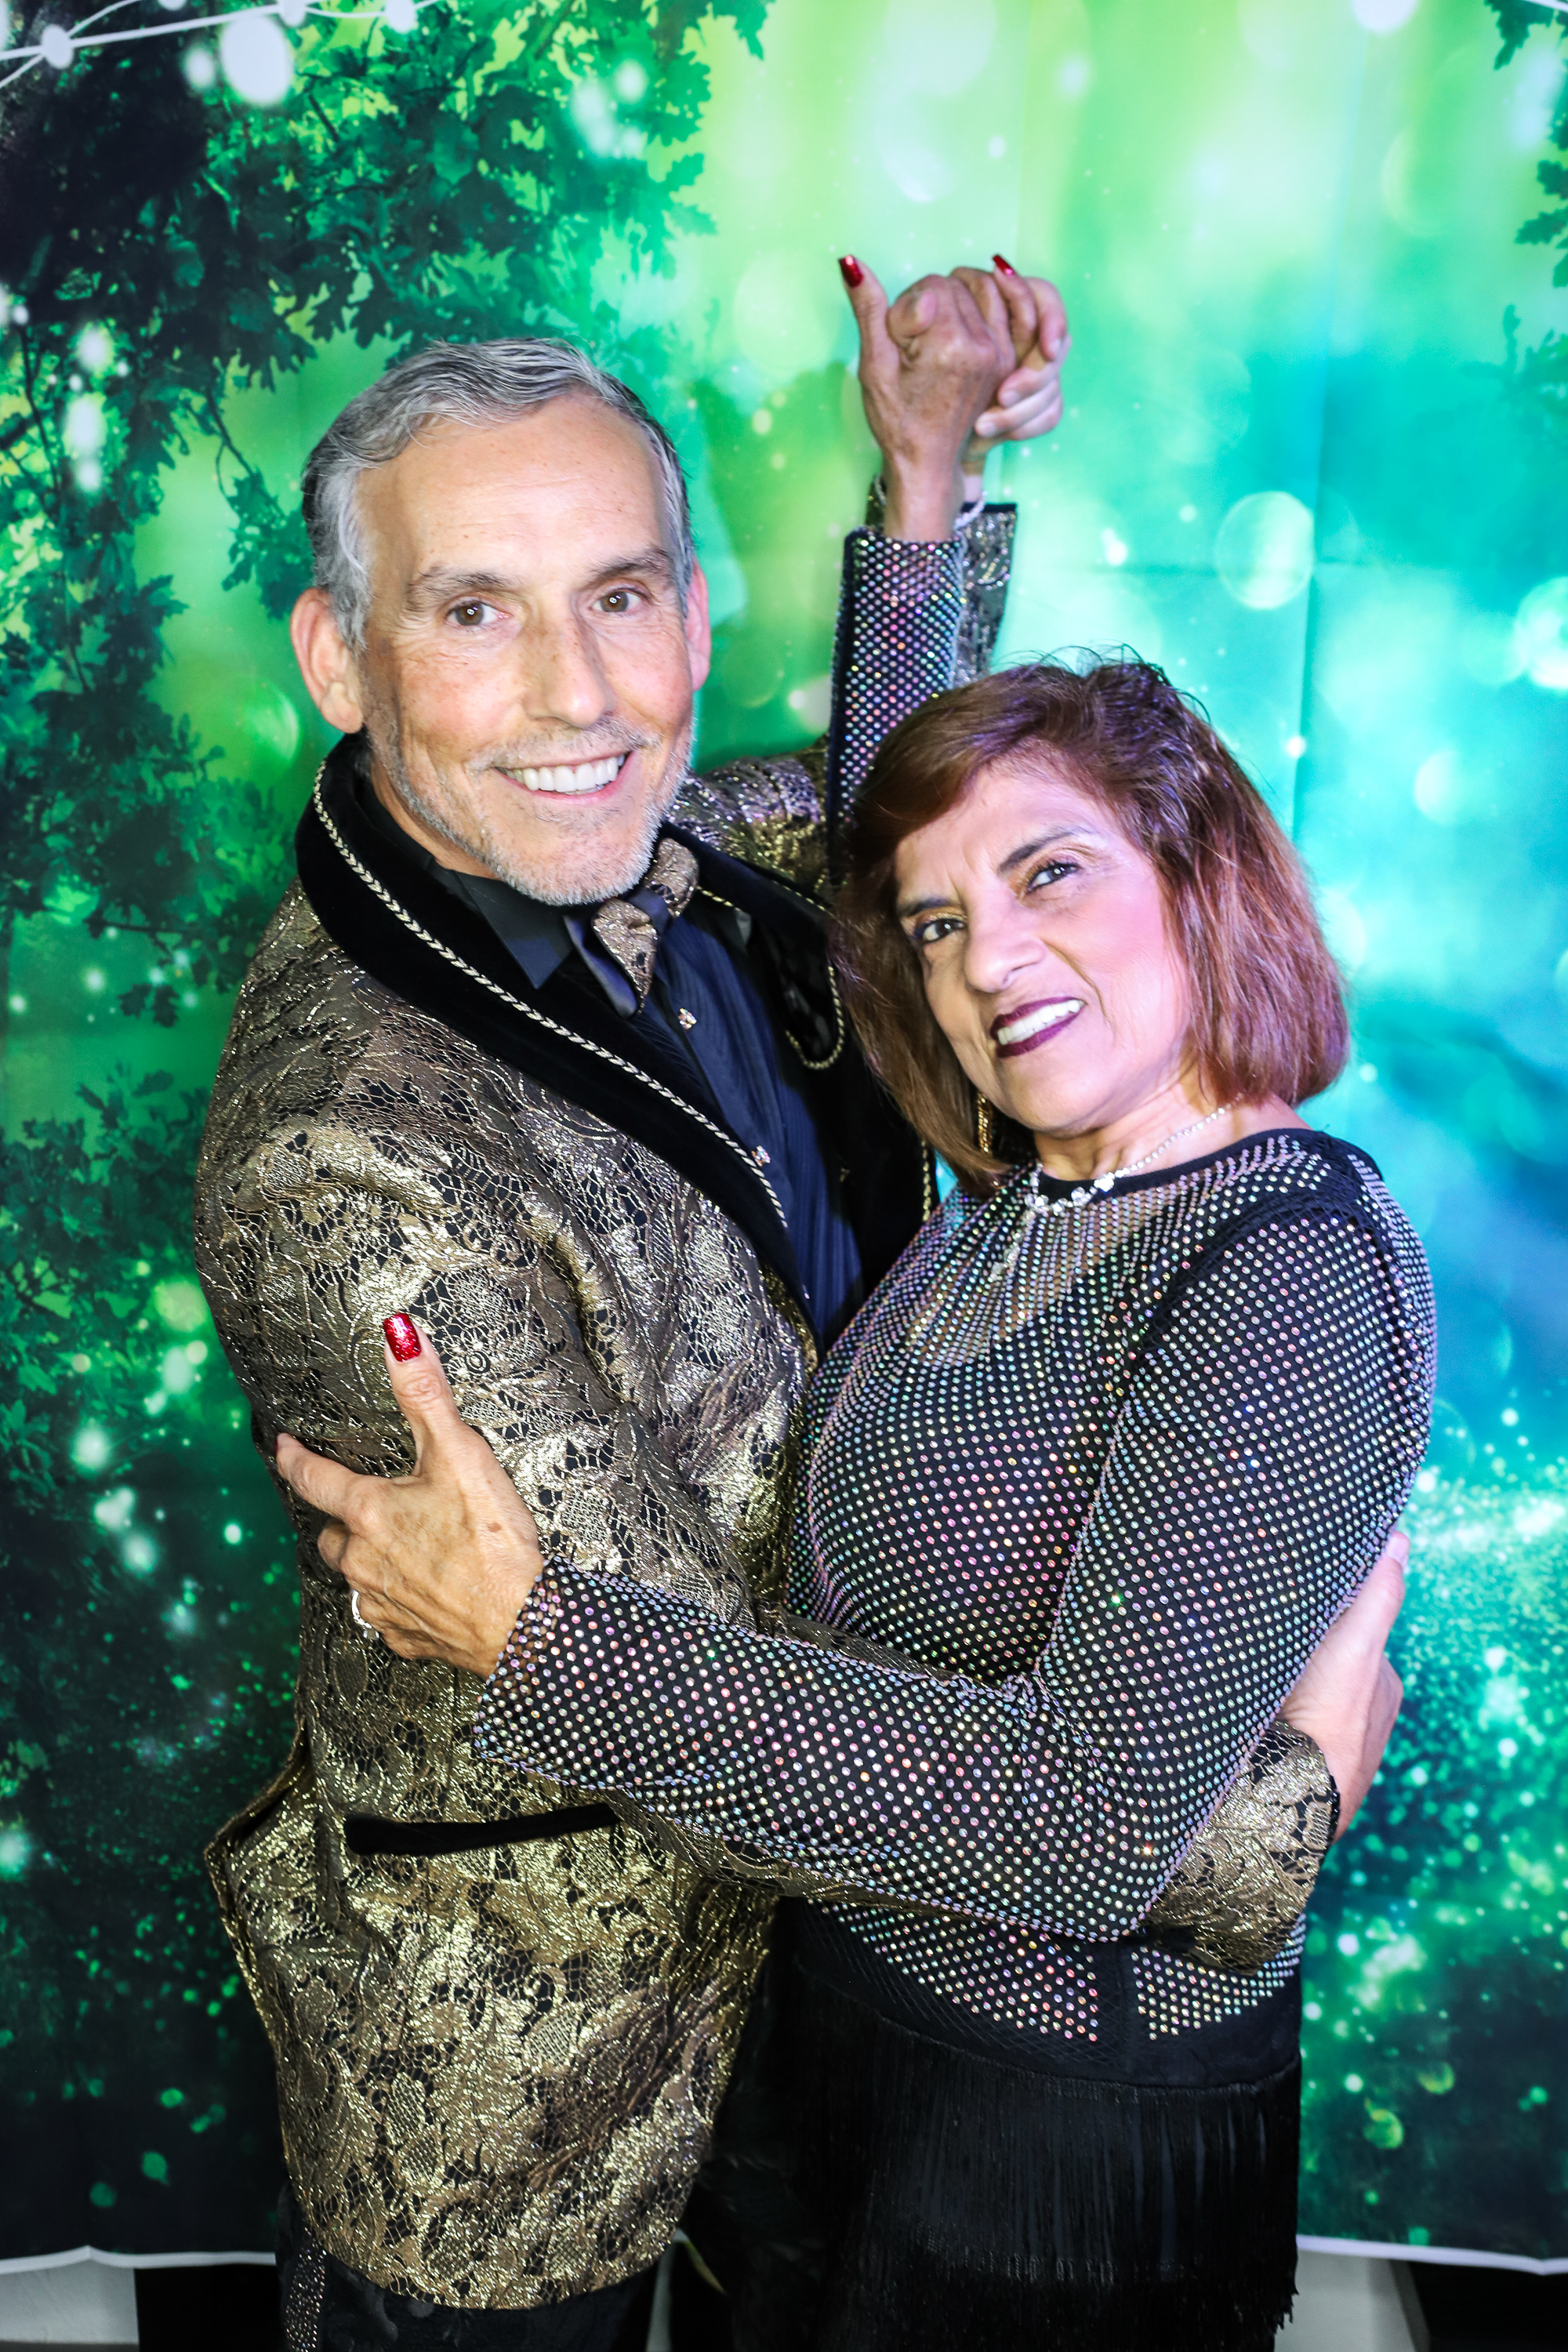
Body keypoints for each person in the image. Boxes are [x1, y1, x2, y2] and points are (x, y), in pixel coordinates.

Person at [277, 659, 1432, 2350]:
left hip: (1034, 2147)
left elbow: (1084, 1819)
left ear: (1201, 874)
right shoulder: (1017, 1199)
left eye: (1052, 874)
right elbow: (889, 817)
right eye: (940, 928)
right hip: (824, 2069)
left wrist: (533, 1639)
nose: (990, 962)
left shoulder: (1285, 1265)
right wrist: (917, 513)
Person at [193, 256, 1074, 2350]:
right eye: (472, 611)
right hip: (526, 2056)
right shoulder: (351, 1157)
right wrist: (1225, 1822)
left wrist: (923, 472)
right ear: (338, 657)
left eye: (620, 595)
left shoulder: (665, 842)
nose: (578, 695)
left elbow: (884, 822)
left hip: (818, 1978)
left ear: (689, 607)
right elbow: (675, 1701)